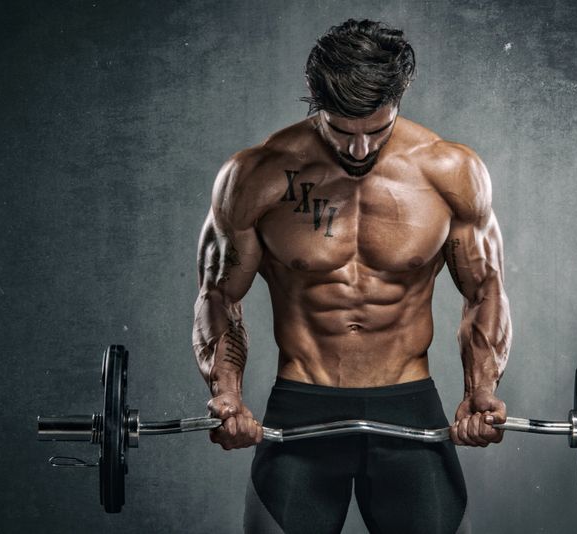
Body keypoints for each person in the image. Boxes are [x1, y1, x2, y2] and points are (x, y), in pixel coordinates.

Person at [193, 19, 511, 534]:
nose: (359, 151)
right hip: (301, 408)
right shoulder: (256, 176)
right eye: (342, 131)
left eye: (376, 131)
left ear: (398, 102)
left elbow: (484, 290)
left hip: (408, 407)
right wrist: (225, 391)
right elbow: (219, 294)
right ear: (316, 104)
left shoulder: (450, 171)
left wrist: (482, 389)